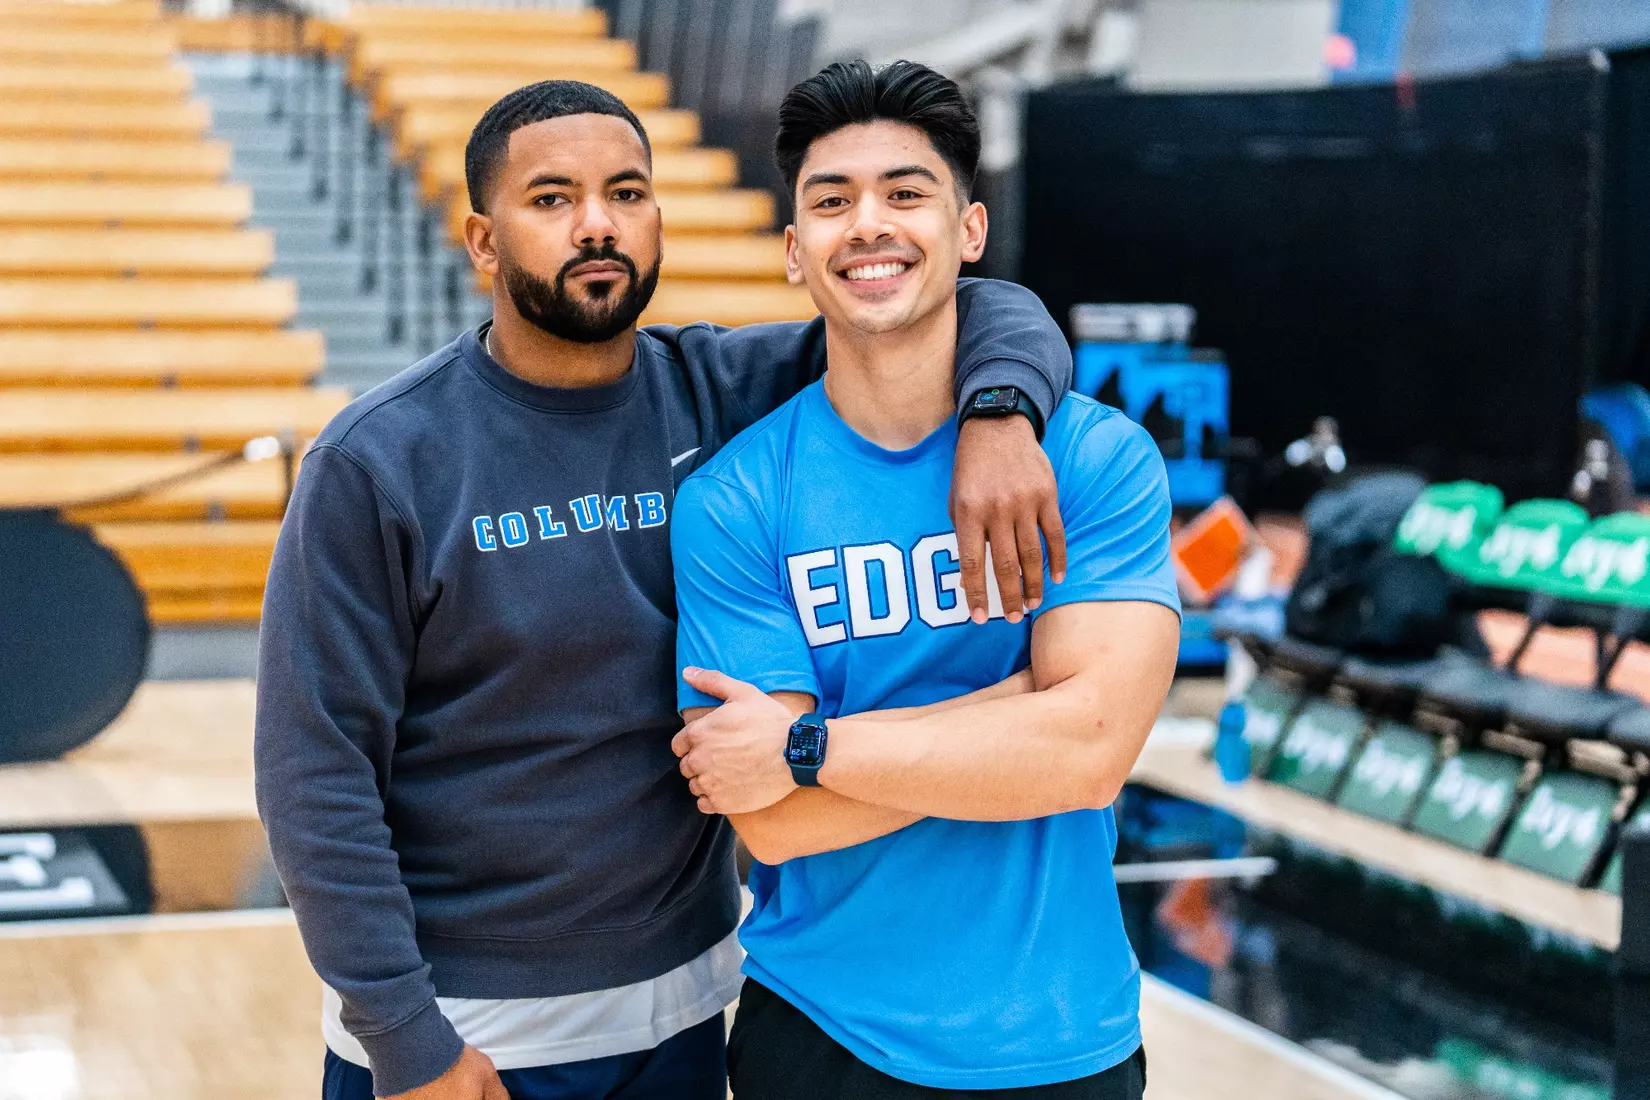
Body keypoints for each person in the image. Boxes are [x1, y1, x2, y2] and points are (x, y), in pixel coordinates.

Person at [255, 78, 1076, 1100]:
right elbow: (312, 775)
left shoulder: (724, 390)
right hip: (463, 1041)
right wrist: (405, 1036)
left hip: (683, 1020)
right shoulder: (379, 462)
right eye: (551, 199)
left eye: (627, 193)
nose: (597, 225)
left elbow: (972, 302)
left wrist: (1000, 411)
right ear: (482, 240)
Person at [670, 60, 1182, 1099]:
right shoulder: (734, 498)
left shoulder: (1093, 459)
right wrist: (1024, 708)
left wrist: (809, 745)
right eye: (832, 200)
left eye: (907, 193)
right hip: (822, 1038)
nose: (869, 224)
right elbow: (772, 816)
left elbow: (1087, 755)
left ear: (970, 231)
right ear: (791, 252)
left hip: (1062, 1038)